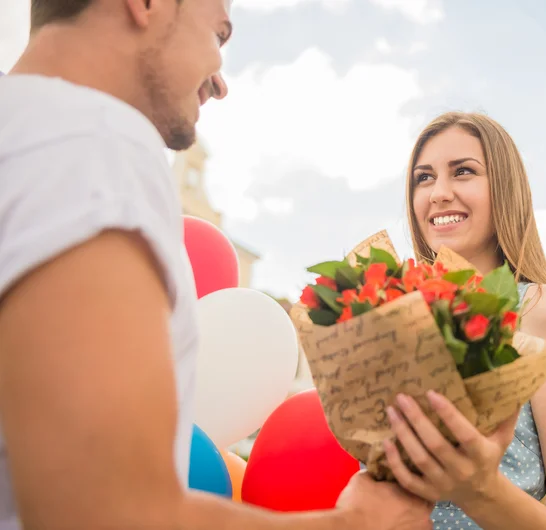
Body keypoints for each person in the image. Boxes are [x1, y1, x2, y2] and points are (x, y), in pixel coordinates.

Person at [0, 1, 435, 529]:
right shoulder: (96, 147)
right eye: (217, 35)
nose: (220, 82)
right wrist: (355, 525)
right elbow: (105, 512)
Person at [380, 112, 546, 529]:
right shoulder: (393, 318)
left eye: (463, 172)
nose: (439, 193)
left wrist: (480, 491)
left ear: (505, 187)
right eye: (423, 178)